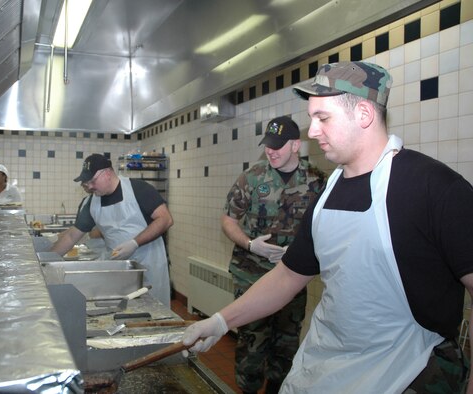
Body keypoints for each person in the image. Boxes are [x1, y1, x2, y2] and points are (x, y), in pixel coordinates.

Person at [182, 61, 473, 393]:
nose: (312, 131)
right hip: (330, 365)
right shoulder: (328, 192)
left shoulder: (435, 188)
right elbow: (289, 276)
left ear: (363, 114)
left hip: (408, 369)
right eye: (312, 118)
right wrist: (220, 322)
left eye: (323, 118)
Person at [222, 116, 326, 393]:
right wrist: (249, 244)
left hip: (292, 277)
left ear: (296, 145)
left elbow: (327, 225)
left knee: (287, 343)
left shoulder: (316, 180)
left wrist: (306, 249)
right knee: (251, 343)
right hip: (251, 275)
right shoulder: (252, 177)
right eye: (268, 145)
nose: (271, 151)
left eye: (278, 146)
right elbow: (228, 220)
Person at [50, 153, 173, 306]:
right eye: (87, 183)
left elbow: (165, 219)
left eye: (93, 181)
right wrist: (46, 261)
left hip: (150, 266)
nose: (90, 187)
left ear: (107, 173)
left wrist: (134, 243)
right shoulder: (91, 203)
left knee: (154, 310)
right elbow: (71, 236)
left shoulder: (139, 189)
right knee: (123, 310)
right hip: (120, 268)